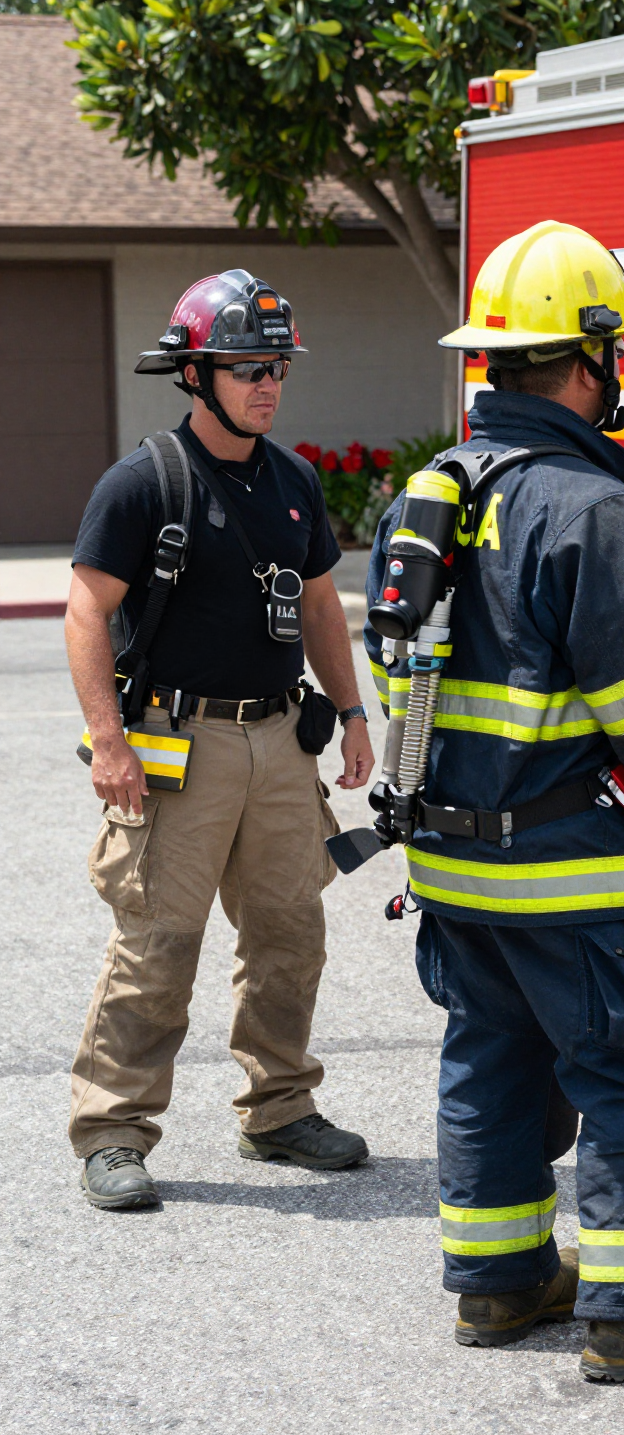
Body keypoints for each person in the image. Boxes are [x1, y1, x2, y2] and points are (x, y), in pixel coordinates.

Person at [372, 220, 624, 1381]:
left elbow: (395, 667)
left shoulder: (432, 489)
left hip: (455, 868)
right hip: (578, 870)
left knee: (493, 1061)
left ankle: (501, 1289)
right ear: (592, 356)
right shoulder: (588, 508)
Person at [66, 269, 375, 1211]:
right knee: (158, 940)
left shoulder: (292, 480)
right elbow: (86, 611)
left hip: (279, 742)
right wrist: (109, 741)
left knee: (291, 933)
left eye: (275, 366)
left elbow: (322, 604)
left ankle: (279, 1110)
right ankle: (113, 1130)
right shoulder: (143, 481)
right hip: (175, 742)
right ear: (195, 375)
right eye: (245, 367)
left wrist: (354, 714)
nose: (267, 384)